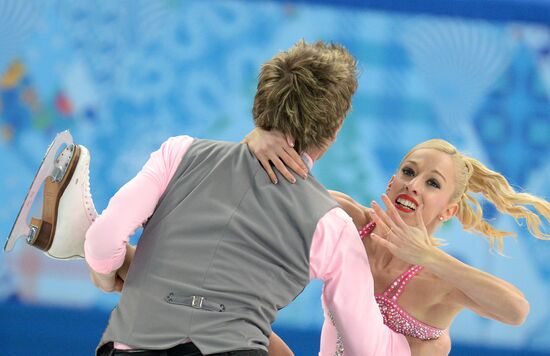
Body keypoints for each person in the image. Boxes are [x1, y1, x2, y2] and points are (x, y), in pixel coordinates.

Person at [82, 40, 410, 356]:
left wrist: (107, 272)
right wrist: (427, 339)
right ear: (335, 130)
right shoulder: (333, 224)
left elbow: (102, 241)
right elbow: (365, 347)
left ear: (259, 105)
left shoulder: (178, 154)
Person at [243, 128, 550, 355]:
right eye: (408, 172)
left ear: (449, 210)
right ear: (392, 182)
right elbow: (274, 191)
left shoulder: (440, 280)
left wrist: (428, 256)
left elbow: (517, 310)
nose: (413, 185)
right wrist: (257, 140)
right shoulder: (351, 223)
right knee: (234, 323)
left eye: (432, 183)